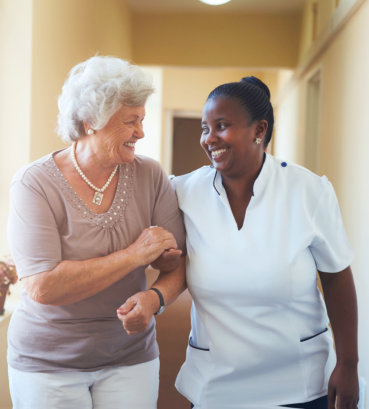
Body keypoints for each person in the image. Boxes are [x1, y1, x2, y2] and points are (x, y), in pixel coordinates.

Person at [121, 76, 359, 409]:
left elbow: (336, 278)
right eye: (205, 128)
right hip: (216, 386)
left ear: (259, 130)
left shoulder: (308, 191)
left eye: (222, 125)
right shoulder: (184, 191)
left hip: (299, 384)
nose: (209, 138)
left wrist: (348, 364)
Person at [6, 55, 186, 409]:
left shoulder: (150, 175)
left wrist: (154, 299)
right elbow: (43, 285)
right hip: (47, 363)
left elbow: (177, 263)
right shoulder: (34, 183)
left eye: (143, 120)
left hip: (130, 356)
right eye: (131, 121)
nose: (141, 132)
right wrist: (136, 255)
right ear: (91, 122)